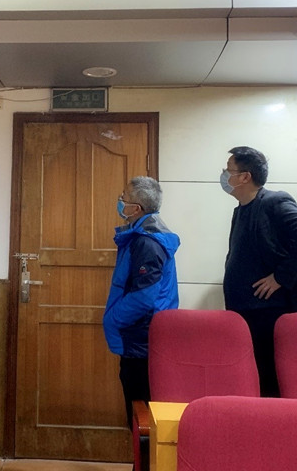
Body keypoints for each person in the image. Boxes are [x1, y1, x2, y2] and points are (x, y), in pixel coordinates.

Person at [220, 146, 297, 397]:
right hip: (249, 314)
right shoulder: (243, 209)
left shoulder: (273, 202)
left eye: (228, 170)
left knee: (273, 385)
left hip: (271, 314)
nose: (224, 175)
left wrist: (280, 277)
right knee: (256, 383)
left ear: (244, 177)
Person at [103, 176, 180, 428]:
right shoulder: (143, 235)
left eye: (124, 197)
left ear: (136, 208)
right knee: (141, 417)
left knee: (142, 419)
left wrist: (113, 319)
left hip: (140, 339)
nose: (120, 200)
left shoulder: (147, 242)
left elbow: (144, 298)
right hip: (141, 338)